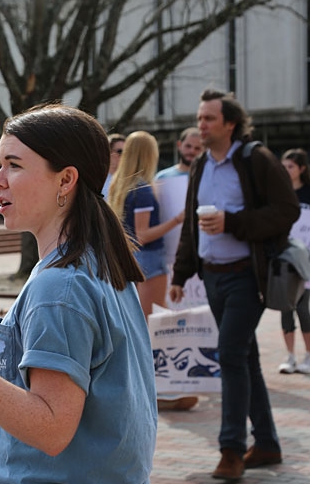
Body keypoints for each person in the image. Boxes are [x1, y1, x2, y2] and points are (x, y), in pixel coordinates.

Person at [0, 104, 157, 482]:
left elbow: (51, 428)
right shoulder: (98, 263)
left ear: (65, 180)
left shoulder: (59, 285)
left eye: (14, 165)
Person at [169, 89, 299, 479]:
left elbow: (287, 210)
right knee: (246, 359)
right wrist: (180, 273)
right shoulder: (200, 166)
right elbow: (193, 225)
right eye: (200, 117)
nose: (202, 125)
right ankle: (268, 443)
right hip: (213, 277)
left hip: (247, 275)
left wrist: (233, 223)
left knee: (228, 355)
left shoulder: (255, 159)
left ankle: (231, 450)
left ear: (230, 123)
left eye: (209, 118)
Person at [153, 126, 204, 412]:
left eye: (198, 148)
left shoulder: (207, 176)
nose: (193, 151)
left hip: (200, 259)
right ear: (179, 145)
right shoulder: (163, 178)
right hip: (169, 258)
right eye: (189, 146)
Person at [109, 131, 184, 319]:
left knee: (140, 320)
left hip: (130, 258)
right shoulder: (142, 190)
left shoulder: (121, 184)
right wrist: (177, 219)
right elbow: (142, 235)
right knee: (153, 323)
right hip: (150, 259)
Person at [277, 149, 310, 375]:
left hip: (306, 261)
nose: (286, 170)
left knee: (302, 306)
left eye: (290, 166)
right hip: (283, 259)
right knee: (285, 307)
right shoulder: (277, 193)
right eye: (284, 166)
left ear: (302, 169)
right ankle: (290, 357)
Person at [100, 133, 125, 198]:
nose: (124, 155)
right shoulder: (98, 180)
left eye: (127, 152)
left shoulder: (130, 179)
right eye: (120, 151)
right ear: (109, 152)